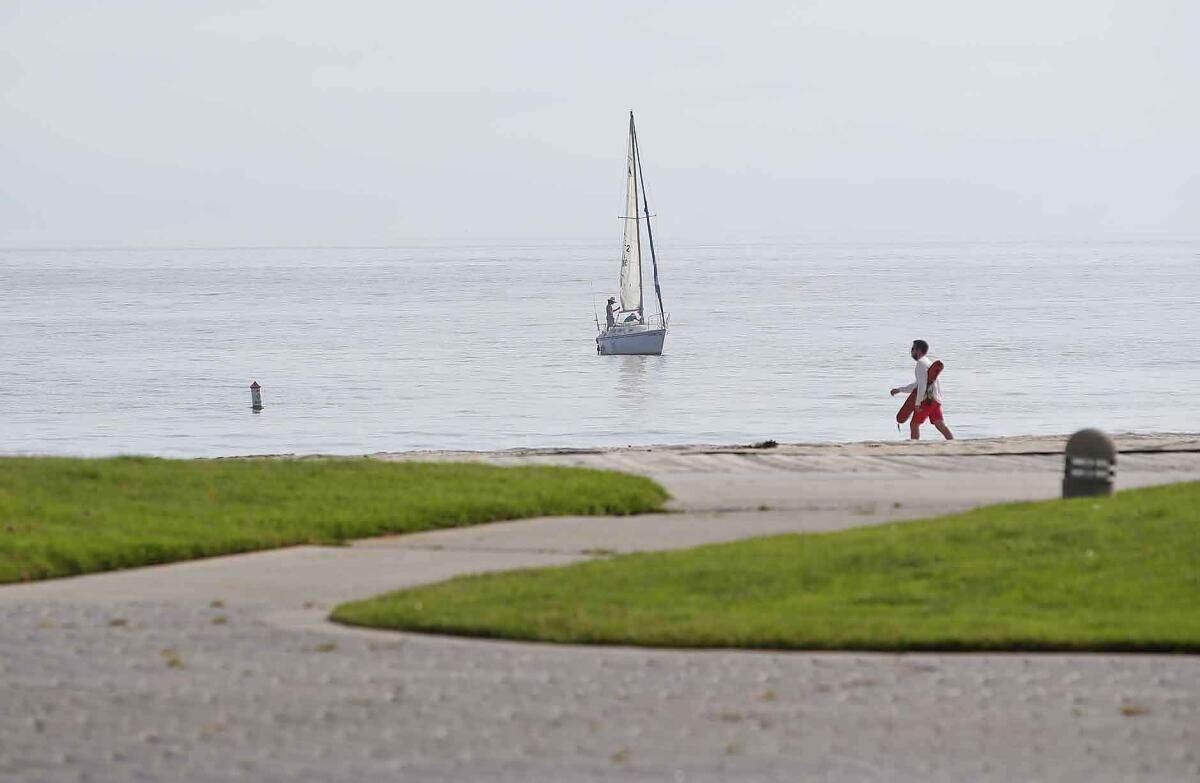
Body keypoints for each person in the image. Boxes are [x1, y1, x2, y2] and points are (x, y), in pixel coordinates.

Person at [890, 339, 954, 441]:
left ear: (918, 350)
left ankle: (915, 446)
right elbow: (919, 384)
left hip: (927, 399)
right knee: (940, 425)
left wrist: (918, 403)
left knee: (914, 424)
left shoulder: (920, 364)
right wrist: (900, 390)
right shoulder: (927, 362)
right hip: (936, 398)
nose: (911, 351)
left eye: (912, 349)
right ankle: (952, 443)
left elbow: (922, 385)